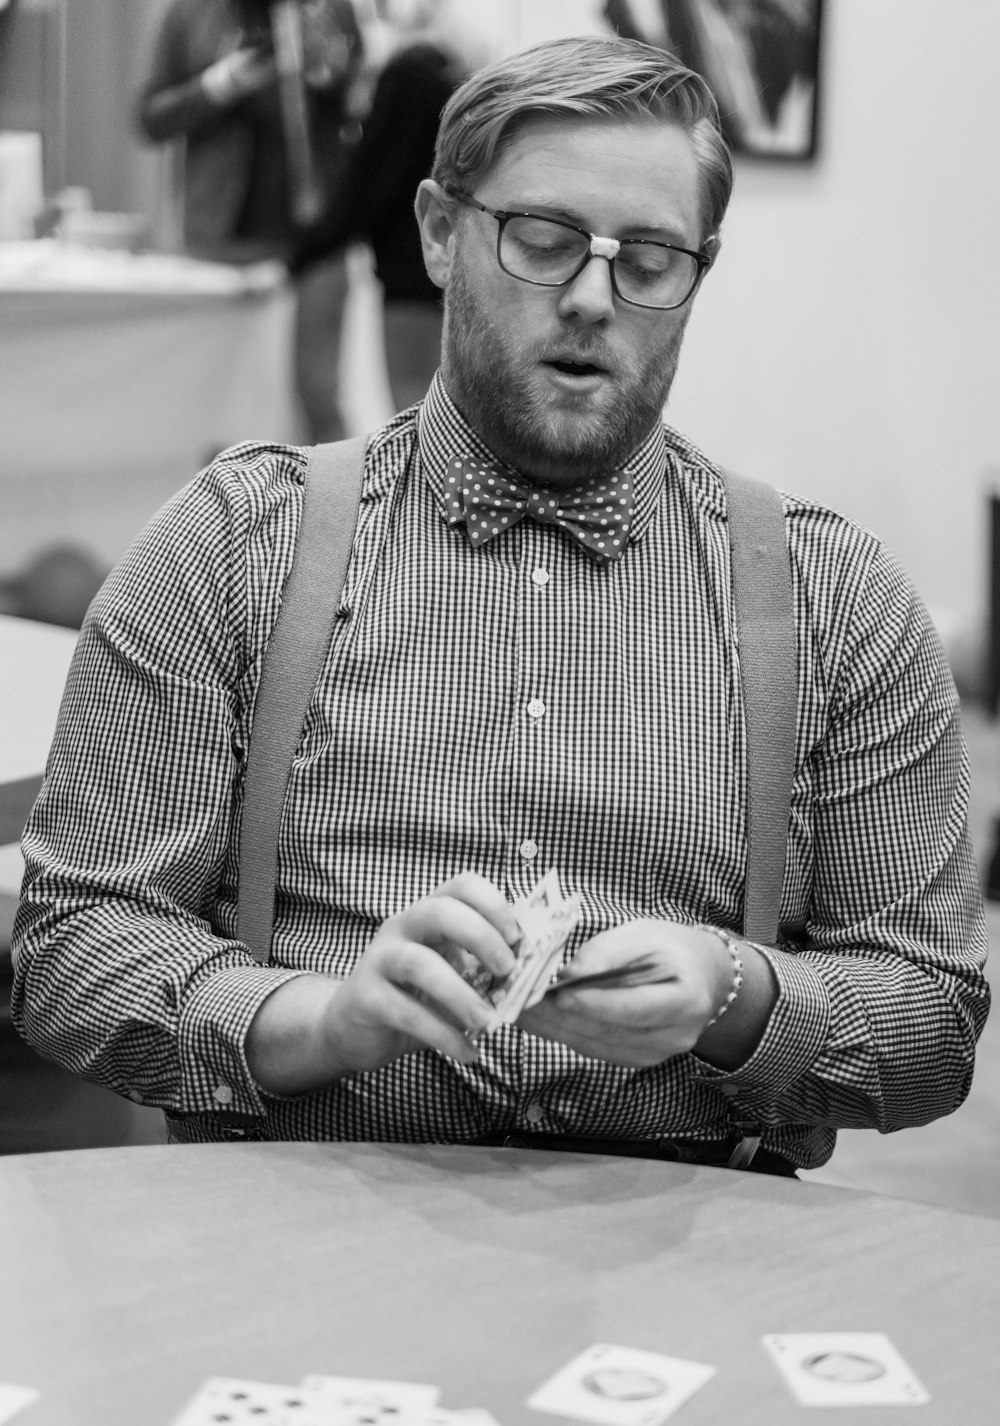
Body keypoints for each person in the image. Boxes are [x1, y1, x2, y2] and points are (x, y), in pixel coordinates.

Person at [12, 36, 989, 1174]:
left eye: (650, 259)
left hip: (688, 1254)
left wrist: (735, 995)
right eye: (542, 239)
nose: (589, 297)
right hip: (300, 1233)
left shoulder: (839, 602)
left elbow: (933, 1015)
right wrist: (320, 1020)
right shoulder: (234, 546)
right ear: (437, 230)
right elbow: (72, 943)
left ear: (697, 274)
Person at [136, 0, 364, 441]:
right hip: (220, 238)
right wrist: (221, 85)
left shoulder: (331, 7)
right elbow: (150, 118)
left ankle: (336, 506)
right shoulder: (189, 12)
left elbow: (364, 100)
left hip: (318, 234)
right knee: (212, 397)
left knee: (319, 394)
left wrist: (328, 70)